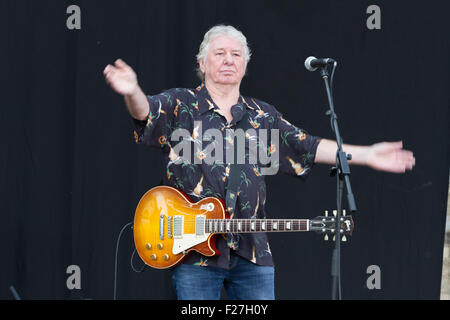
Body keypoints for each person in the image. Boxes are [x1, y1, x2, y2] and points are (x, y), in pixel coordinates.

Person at [103, 25, 415, 300]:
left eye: (237, 54)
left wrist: (367, 155)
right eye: (220, 53)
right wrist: (133, 92)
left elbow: (308, 147)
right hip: (192, 253)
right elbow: (145, 112)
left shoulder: (263, 116)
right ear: (202, 63)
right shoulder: (181, 104)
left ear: (245, 64)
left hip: (252, 252)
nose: (229, 59)